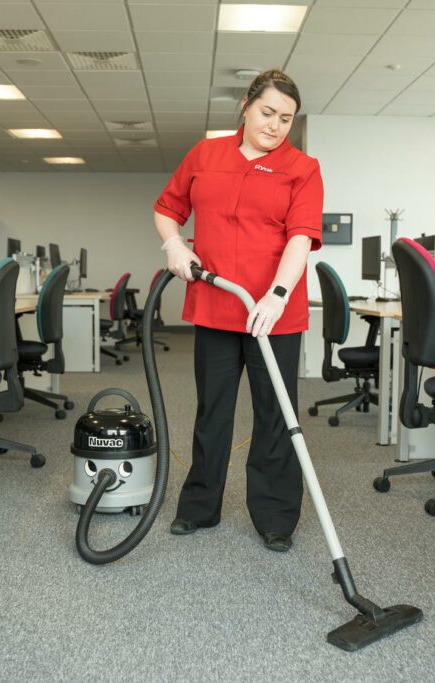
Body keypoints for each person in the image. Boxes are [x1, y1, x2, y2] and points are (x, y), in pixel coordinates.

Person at [152, 69, 323, 552]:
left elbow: (300, 238)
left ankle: (275, 518)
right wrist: (174, 244)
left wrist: (279, 294)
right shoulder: (205, 155)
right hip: (215, 307)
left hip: (275, 316)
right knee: (213, 412)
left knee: (275, 416)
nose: (275, 125)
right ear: (246, 106)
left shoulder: (303, 168)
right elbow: (167, 208)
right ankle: (199, 508)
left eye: (286, 119)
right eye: (268, 112)